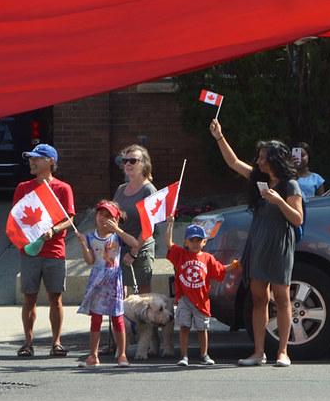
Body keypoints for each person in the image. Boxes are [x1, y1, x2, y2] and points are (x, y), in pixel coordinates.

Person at [209, 121, 303, 367]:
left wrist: (279, 201)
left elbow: (297, 218)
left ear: (274, 159)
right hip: (259, 242)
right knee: (258, 297)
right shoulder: (258, 180)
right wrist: (220, 137)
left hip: (280, 242)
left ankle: (283, 351)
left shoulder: (290, 185)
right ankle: (258, 352)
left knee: (282, 297)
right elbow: (234, 163)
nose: (259, 161)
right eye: (259, 157)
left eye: (263, 157)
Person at [14, 144, 75, 358]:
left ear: (50, 161)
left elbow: (69, 219)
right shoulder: (23, 187)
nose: (31, 162)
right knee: (29, 297)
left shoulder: (62, 188)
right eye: (30, 159)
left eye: (36, 159)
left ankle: (56, 342)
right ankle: (28, 343)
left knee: (55, 298)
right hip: (30, 251)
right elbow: (17, 217)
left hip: (55, 250)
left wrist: (54, 230)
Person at [75, 201, 139, 368]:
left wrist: (118, 229)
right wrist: (83, 244)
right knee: (96, 318)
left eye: (108, 216)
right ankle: (93, 356)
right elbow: (90, 261)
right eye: (100, 214)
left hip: (114, 280)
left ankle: (122, 355)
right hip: (97, 279)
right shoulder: (90, 237)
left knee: (117, 317)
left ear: (116, 219)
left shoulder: (117, 236)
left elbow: (135, 243)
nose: (103, 219)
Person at [163, 220, 232, 366]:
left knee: (202, 328)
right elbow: (168, 244)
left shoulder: (207, 258)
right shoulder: (180, 255)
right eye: (192, 240)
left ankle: (204, 354)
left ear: (204, 242)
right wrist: (170, 224)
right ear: (186, 242)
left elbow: (220, 270)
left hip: (201, 300)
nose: (195, 243)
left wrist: (234, 266)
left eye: (198, 240)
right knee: (184, 327)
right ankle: (184, 355)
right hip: (184, 298)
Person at [111, 145, 158, 295]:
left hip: (140, 249)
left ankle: (142, 320)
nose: (128, 164)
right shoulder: (121, 189)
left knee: (143, 294)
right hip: (120, 246)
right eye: (125, 161)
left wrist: (133, 252)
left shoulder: (148, 190)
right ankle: (124, 319)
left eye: (133, 161)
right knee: (121, 292)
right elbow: (114, 216)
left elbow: (149, 227)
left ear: (144, 164)